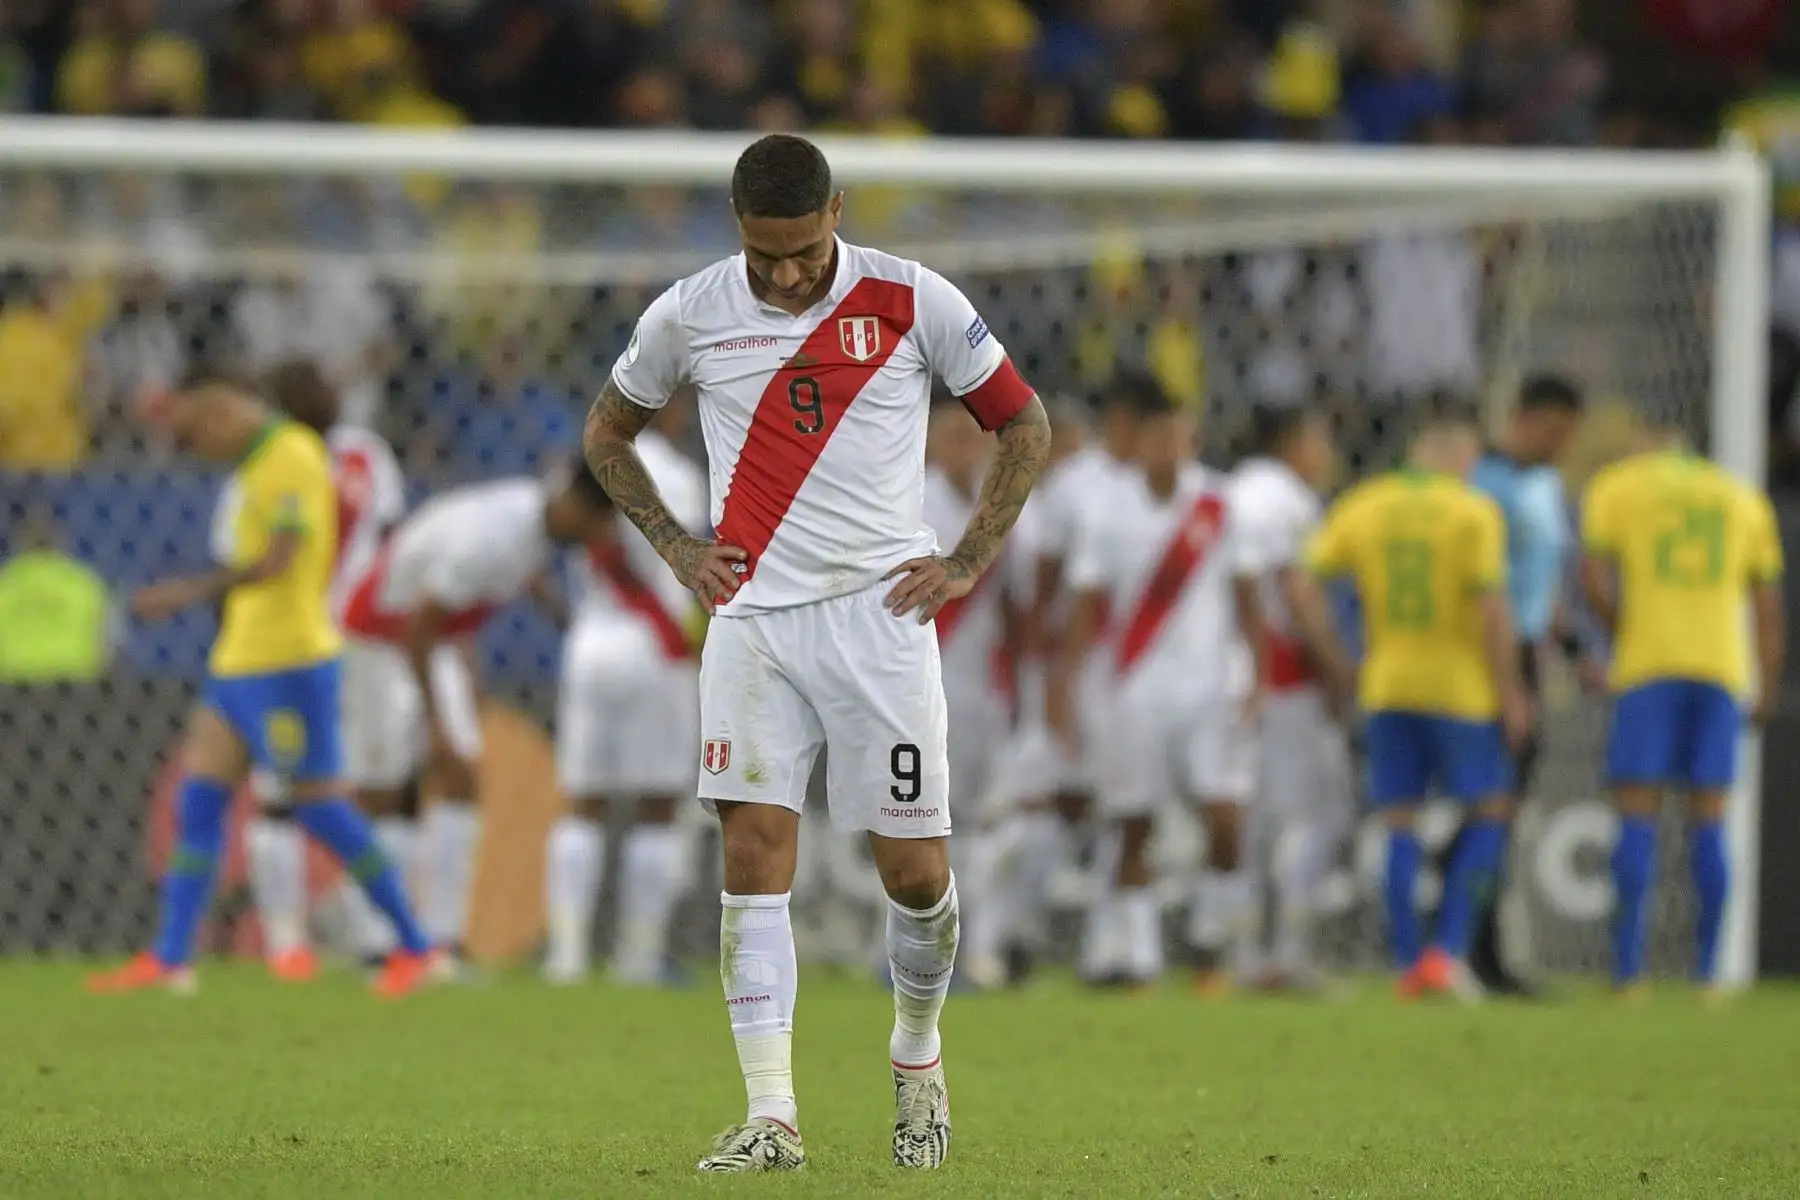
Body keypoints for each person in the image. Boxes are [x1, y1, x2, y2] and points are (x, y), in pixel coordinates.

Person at [581, 134, 1049, 1172]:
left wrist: (968, 558)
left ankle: (918, 1060)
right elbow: (606, 432)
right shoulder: (689, 312)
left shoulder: (912, 298)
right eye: (764, 255)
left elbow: (1025, 426)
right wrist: (674, 544)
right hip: (751, 621)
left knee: (916, 874)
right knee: (751, 856)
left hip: (879, 621)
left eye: (800, 251)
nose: (784, 274)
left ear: (836, 211)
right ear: (737, 230)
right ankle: (772, 1117)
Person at [85, 367, 437, 997]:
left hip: (290, 662)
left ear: (222, 412)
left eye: (196, 438)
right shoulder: (256, 463)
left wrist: (185, 592)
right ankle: (171, 958)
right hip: (239, 661)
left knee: (321, 807)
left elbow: (282, 559)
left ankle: (414, 944)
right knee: (199, 803)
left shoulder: (293, 455)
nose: (199, 454)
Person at [336, 459, 615, 966]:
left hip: (430, 640)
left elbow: (507, 578)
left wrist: (556, 615)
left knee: (460, 777)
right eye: (601, 522)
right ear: (576, 507)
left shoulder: (537, 522)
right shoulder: (493, 539)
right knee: (384, 788)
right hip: (380, 634)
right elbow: (421, 622)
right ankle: (376, 941)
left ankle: (444, 940)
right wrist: (436, 721)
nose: (602, 536)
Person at [1292, 412, 1531, 1001]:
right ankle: (1444, 955)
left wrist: (1333, 651)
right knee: (1492, 811)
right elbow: (1493, 612)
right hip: (1459, 690)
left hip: (1387, 683)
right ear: (1458, 458)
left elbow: (1303, 580)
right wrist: (1513, 694)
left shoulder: (1367, 503)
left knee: (1398, 820)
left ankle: (1405, 964)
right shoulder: (1473, 513)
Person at [1051, 380, 1263, 992]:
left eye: (1179, 435)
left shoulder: (1219, 506)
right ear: (1137, 442)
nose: (1168, 446)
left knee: (1225, 818)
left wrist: (1258, 679)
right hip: (1134, 688)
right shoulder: (1107, 513)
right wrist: (1065, 685)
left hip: (1212, 688)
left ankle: (1210, 940)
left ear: (1192, 440)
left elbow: (1248, 600)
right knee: (1132, 822)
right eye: (1156, 436)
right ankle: (1139, 959)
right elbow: (1086, 610)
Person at [1579, 421, 1784, 996]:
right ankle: (1707, 976)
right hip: (1720, 671)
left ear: (1651, 444)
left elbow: (1592, 579)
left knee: (1637, 818)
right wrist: (1766, 685)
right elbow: (1767, 608)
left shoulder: (1618, 487)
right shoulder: (1742, 500)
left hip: (1648, 668)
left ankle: (1627, 975)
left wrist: (1625, 630)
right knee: (1710, 822)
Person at [245, 360, 408, 983]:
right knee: (369, 791)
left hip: (293, 640)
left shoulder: (269, 463)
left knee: (278, 793)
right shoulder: (367, 457)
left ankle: (286, 943)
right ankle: (375, 941)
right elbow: (390, 542)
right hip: (361, 637)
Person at [544, 399, 709, 987]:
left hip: (590, 639)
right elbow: (687, 570)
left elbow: (560, 528)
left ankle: (565, 956)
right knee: (655, 807)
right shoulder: (678, 474)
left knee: (582, 803)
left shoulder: (585, 459)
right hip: (654, 648)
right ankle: (637, 960)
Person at [1013, 380, 1146, 984]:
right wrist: (1049, 676)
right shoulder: (1072, 488)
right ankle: (1010, 931)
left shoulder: (1152, 488)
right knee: (1056, 801)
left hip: (1131, 667)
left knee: (1124, 804)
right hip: (1075, 664)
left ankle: (1107, 950)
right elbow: (1043, 586)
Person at [1464, 374, 1584, 994]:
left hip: (1529, 659)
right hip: (1485, 663)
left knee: (1503, 808)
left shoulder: (1547, 485)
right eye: (1558, 431)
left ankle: (1481, 950)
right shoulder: (1481, 483)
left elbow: (1546, 585)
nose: (1563, 444)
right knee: (1485, 805)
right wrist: (1507, 684)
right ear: (1530, 418)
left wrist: (1577, 649)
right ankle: (1463, 949)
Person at [1229, 405, 1347, 991]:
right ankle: (1291, 950)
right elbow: (1294, 590)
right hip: (1284, 675)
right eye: (1320, 439)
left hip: (1232, 673)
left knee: (1249, 818)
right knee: (1308, 812)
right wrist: (1337, 669)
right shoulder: (1288, 500)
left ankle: (1245, 951)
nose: (1327, 454)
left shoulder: (1231, 491)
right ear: (1294, 440)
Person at [920, 397, 1019, 990]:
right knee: (925, 821)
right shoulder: (908, 503)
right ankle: (920, 953)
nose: (966, 447)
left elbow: (1018, 604)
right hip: (923, 681)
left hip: (986, 690)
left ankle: (980, 949)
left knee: (986, 822)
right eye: (953, 434)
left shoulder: (1000, 508)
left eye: (974, 434)